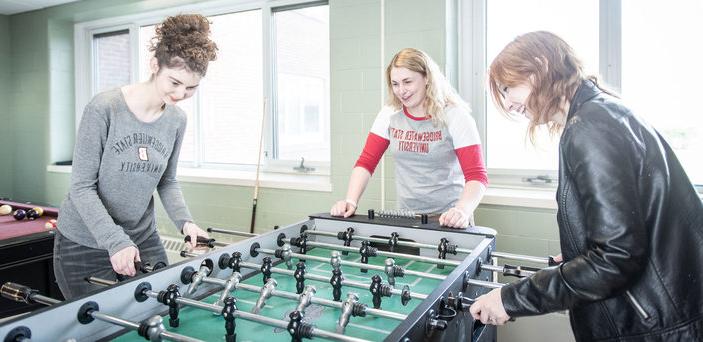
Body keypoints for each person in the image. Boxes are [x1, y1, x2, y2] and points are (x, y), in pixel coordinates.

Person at [470, 31, 703, 340]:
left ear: (539, 66)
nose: (509, 103)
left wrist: (510, 299)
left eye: (508, 87)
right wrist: (579, 253)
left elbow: (616, 257)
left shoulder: (590, 128)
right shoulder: (603, 113)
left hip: (658, 326)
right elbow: (629, 229)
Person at [53, 14, 218, 299]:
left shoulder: (177, 120)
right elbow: (81, 187)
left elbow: (167, 180)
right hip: (84, 243)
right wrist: (115, 241)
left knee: (162, 307)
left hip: (143, 237)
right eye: (175, 82)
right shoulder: (104, 108)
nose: (181, 94)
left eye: (192, 87)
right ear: (155, 66)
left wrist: (186, 223)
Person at [330, 48, 487, 228]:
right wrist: (351, 200)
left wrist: (462, 211)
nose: (401, 90)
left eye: (407, 82)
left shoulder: (455, 115)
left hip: (448, 219)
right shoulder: (390, 113)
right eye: (395, 84)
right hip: (406, 219)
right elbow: (366, 162)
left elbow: (477, 176)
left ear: (427, 77)